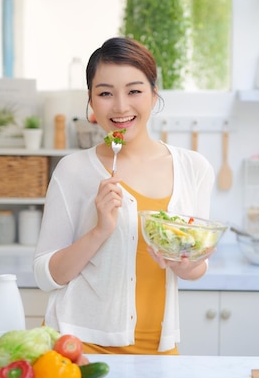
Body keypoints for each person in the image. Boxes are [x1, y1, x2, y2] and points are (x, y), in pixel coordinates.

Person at [33, 36, 215, 355]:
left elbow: (197, 267)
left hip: (159, 349)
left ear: (154, 94)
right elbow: (47, 276)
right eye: (105, 93)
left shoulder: (194, 169)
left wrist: (181, 262)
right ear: (91, 101)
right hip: (79, 348)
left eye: (134, 91)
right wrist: (99, 230)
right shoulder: (72, 171)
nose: (120, 106)